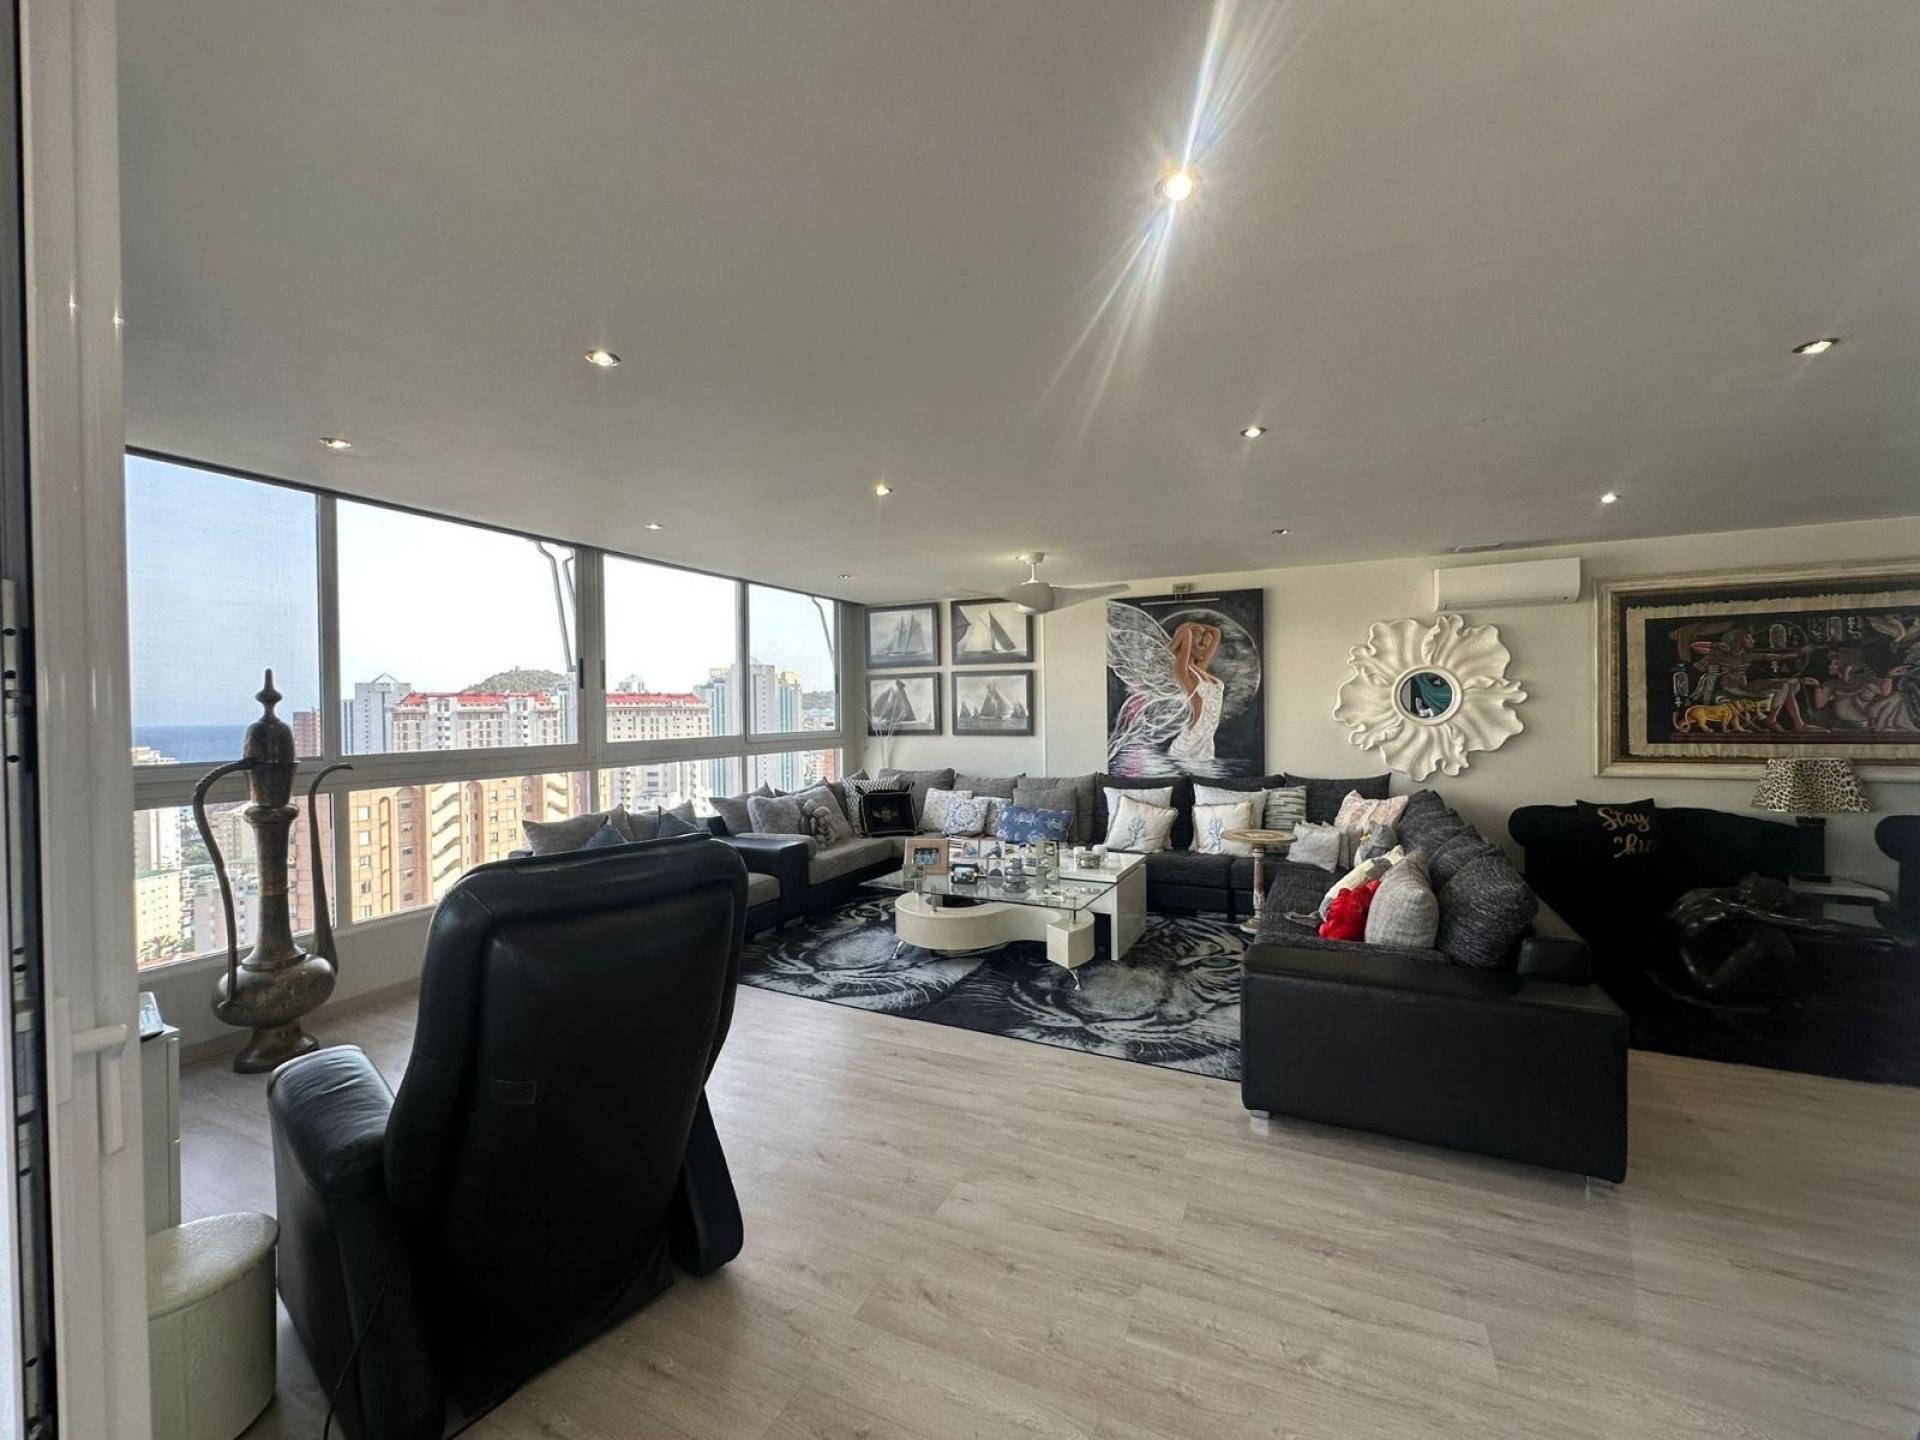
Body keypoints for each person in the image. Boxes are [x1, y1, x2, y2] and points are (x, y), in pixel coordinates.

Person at [1167, 621, 1224, 763]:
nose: (1205, 649)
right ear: (1190, 644)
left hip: (1206, 745)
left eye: (1206, 644)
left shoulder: (1201, 668)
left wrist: (1199, 629)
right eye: (1201, 644)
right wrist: (1190, 629)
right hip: (1188, 746)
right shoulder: (1183, 672)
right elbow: (1186, 633)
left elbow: (1216, 632)